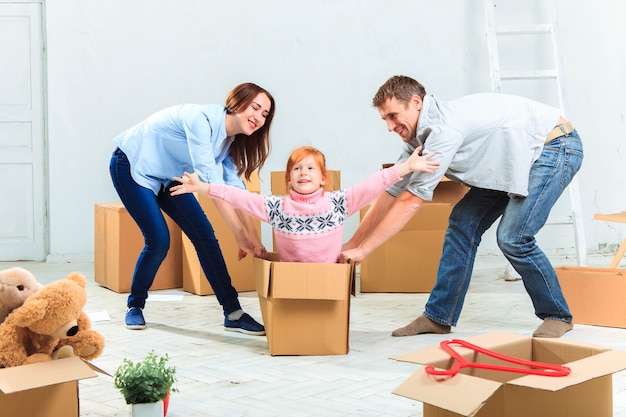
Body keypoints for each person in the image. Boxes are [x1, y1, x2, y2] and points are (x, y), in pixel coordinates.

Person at [341, 75, 584, 339]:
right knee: (462, 223)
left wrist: (365, 251)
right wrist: (353, 243)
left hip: (553, 147)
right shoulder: (417, 137)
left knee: (513, 238)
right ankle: (438, 317)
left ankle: (557, 314)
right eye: (384, 119)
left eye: (393, 116)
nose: (389, 126)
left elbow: (411, 200)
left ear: (415, 102)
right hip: (514, 158)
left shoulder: (443, 130)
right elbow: (391, 192)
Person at [109, 82, 274, 335]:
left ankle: (233, 313)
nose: (259, 118)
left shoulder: (230, 141)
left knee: (204, 236)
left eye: (265, 115)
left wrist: (252, 233)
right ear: (238, 103)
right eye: (255, 108)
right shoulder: (201, 120)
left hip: (169, 176)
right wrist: (239, 234)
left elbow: (235, 189)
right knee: (159, 240)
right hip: (132, 166)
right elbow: (212, 184)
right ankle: (135, 305)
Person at [169, 145, 439, 263]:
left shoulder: (336, 204)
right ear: (289, 179)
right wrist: (203, 187)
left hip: (327, 280)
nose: (303, 173)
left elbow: (372, 185)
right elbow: (238, 196)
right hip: (291, 282)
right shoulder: (277, 208)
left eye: (310, 169)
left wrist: (405, 167)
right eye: (297, 169)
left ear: (323, 179)